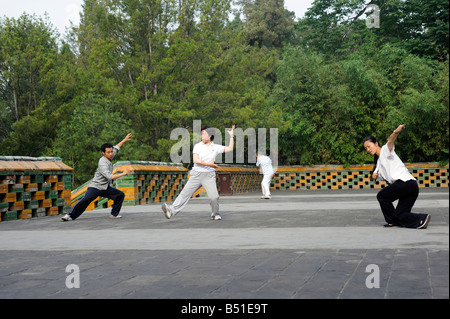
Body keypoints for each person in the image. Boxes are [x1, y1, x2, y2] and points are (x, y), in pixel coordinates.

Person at [363, 125, 430, 229]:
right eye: (366, 148)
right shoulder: (378, 163)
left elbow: (390, 141)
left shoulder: (385, 150)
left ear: (376, 143)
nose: (368, 149)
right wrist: (373, 176)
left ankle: (391, 222)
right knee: (398, 215)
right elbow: (373, 176)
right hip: (411, 187)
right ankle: (422, 219)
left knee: (382, 196)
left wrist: (396, 132)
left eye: (369, 146)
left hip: (405, 183)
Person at [162, 125, 235, 220]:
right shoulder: (198, 146)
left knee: (214, 197)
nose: (202, 136)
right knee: (185, 194)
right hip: (196, 174)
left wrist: (232, 136)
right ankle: (171, 211)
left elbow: (230, 148)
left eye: (204, 134)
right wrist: (210, 164)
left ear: (210, 136)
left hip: (208, 175)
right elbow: (196, 160)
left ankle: (215, 213)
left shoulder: (215, 147)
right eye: (201, 134)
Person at [61, 133, 133, 221]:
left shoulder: (110, 154)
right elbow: (110, 177)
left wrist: (124, 140)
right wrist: (124, 173)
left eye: (111, 152)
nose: (111, 154)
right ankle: (69, 215)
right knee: (85, 200)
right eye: (108, 152)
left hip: (105, 187)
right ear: (103, 153)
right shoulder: (102, 163)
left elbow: (117, 147)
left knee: (120, 195)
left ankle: (114, 214)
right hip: (96, 186)